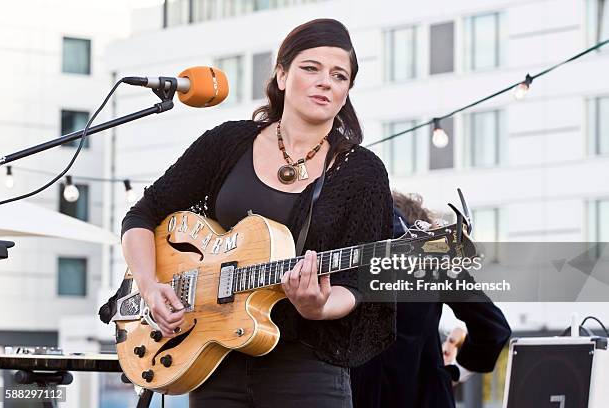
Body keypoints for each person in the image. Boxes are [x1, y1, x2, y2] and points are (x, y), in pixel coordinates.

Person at [120, 19, 395, 408]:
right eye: (310, 68)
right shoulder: (227, 142)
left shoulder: (361, 172)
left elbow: (362, 281)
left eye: (339, 75)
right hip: (213, 362)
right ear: (281, 75)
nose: (325, 82)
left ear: (347, 90)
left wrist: (317, 306)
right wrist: (150, 286)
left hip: (308, 371)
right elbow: (142, 215)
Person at [351, 191, 511, 408]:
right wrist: (457, 372)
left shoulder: (348, 255)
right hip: (428, 397)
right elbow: (494, 328)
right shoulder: (434, 257)